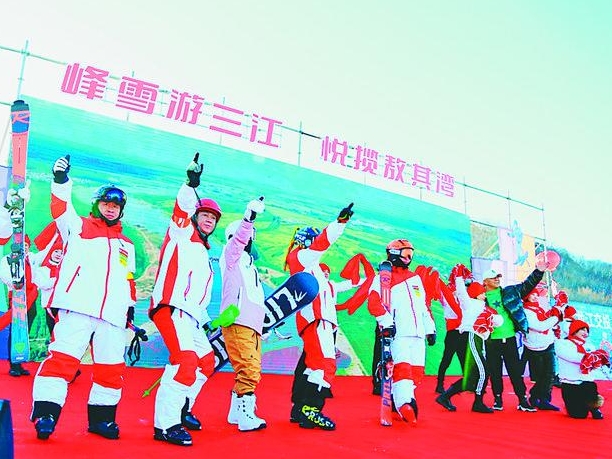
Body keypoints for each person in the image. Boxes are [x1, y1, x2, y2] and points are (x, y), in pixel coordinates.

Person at [30, 155, 136, 441]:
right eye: (106, 204)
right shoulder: (77, 227)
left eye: (116, 206)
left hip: (112, 316)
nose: (111, 209)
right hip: (77, 308)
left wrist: (129, 309)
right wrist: (61, 180)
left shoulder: (126, 245)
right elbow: (60, 208)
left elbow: (128, 279)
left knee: (111, 369)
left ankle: (102, 420)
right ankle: (46, 414)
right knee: (62, 361)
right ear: (96, 205)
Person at [148, 154, 221, 446]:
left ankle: (181, 407)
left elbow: (198, 295)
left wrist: (206, 322)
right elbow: (182, 208)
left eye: (213, 218)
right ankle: (166, 425)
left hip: (191, 316)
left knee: (206, 361)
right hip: (171, 308)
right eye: (205, 215)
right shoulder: (181, 233)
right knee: (185, 361)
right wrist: (190, 185)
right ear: (195, 217)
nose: (209, 219)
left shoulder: (204, 252)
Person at [286, 203, 354, 431]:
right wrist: (340, 223)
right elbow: (324, 242)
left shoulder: (310, 265)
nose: (316, 244)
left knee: (311, 365)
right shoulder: (301, 258)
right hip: (316, 320)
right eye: (312, 240)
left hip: (318, 321)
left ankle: (300, 409)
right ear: (306, 242)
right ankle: (312, 409)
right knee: (324, 364)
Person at [366, 239, 437, 425]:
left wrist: (430, 328)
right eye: (406, 253)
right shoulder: (383, 278)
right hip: (399, 334)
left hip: (418, 334)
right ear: (394, 253)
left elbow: (423, 307)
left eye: (411, 254)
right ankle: (404, 403)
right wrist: (387, 323)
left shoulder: (415, 279)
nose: (409, 257)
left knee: (417, 373)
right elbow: (374, 303)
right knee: (402, 369)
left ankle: (399, 399)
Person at [220, 197, 267, 432]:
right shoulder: (231, 256)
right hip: (238, 321)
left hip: (252, 325)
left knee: (250, 368)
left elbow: (256, 298)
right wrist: (249, 217)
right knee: (249, 369)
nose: (250, 240)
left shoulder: (250, 265)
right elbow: (238, 240)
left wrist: (262, 325)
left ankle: (235, 413)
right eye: (248, 236)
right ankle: (246, 417)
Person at [481, 259, 550, 412]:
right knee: (495, 372)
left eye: (498, 277)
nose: (497, 279)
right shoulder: (480, 299)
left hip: (510, 339)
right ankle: (498, 399)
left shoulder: (509, 291)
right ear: (485, 281)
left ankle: (522, 400)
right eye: (493, 277)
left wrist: (538, 271)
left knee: (515, 372)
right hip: (491, 341)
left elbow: (527, 285)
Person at [436, 265, 502, 413]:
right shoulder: (470, 304)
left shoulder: (485, 308)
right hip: (470, 337)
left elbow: (498, 321)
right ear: (476, 293)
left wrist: (493, 318)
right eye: (482, 292)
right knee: (484, 371)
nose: (484, 294)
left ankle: (446, 396)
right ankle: (478, 402)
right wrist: (459, 276)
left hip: (477, 339)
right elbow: (461, 292)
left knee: (473, 375)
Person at [0, 234, 41, 376]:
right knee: (16, 331)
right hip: (17, 296)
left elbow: (46, 254)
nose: (24, 248)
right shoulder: (8, 259)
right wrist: (17, 284)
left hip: (31, 297)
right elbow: (4, 275)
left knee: (24, 332)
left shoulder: (32, 259)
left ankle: (20, 360)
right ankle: (14, 365)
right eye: (21, 245)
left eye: (26, 245)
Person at [555, 319, 609, 419]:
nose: (585, 333)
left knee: (591, 390)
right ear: (574, 330)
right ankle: (576, 406)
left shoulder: (589, 346)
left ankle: (594, 407)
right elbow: (571, 356)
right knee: (579, 415)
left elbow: (593, 364)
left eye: (587, 330)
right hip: (570, 383)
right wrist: (589, 357)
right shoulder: (562, 343)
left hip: (586, 382)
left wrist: (599, 360)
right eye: (582, 330)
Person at [522, 286, 564, 411]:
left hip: (548, 343)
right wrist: (555, 317)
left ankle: (544, 399)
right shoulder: (525, 311)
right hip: (535, 346)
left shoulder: (540, 308)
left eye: (536, 294)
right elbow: (540, 326)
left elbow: (549, 322)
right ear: (526, 296)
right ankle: (535, 396)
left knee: (550, 374)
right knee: (541, 376)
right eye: (532, 294)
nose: (535, 297)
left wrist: (559, 309)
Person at [434, 283, 463, 394]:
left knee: (464, 360)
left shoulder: (462, 301)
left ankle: (462, 385)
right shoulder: (447, 301)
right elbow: (442, 292)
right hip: (453, 333)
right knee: (447, 359)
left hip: (463, 332)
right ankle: (439, 384)